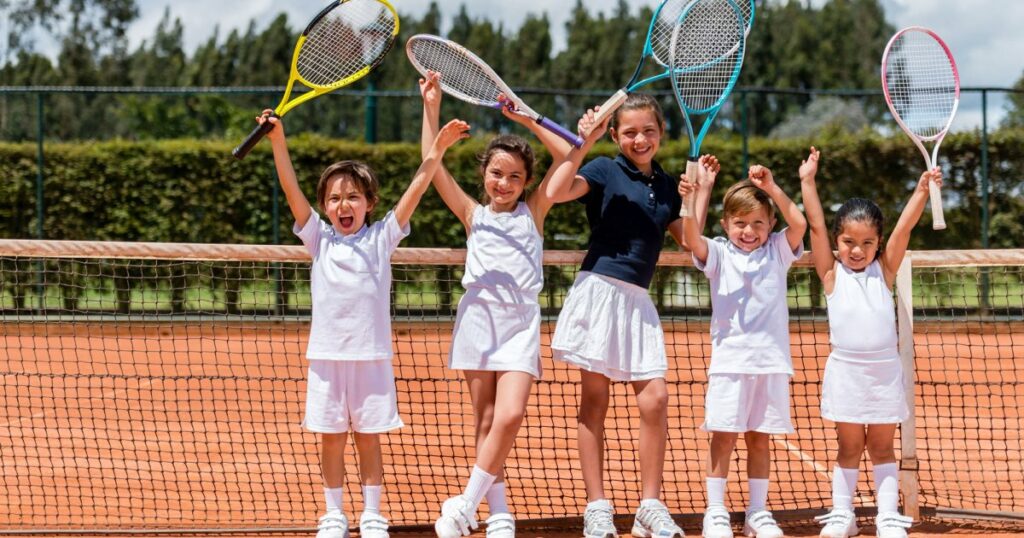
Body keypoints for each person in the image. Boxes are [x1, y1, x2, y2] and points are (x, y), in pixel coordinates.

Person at [259, 109, 470, 538]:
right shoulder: (318, 238)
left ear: (370, 204)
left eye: (353, 196)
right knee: (331, 439)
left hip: (371, 358)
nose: (343, 205)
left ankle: (373, 515)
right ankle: (333, 515)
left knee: (369, 438)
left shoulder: (381, 238)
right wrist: (278, 140)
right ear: (324, 208)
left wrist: (437, 149)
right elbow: (290, 187)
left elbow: (416, 188)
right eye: (334, 199)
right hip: (326, 359)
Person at [419, 71, 598, 538]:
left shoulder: (535, 209)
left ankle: (464, 505)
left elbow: (571, 153)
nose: (504, 182)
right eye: (497, 173)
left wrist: (527, 117)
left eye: (515, 176)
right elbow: (431, 165)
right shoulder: (470, 213)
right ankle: (497, 512)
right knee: (484, 420)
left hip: (520, 325)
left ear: (527, 182)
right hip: (477, 321)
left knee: (511, 415)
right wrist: (431, 108)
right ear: (484, 174)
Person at [546, 94, 719, 538]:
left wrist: (700, 192)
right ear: (617, 135)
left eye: (647, 131)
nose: (639, 139)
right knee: (594, 402)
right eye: (629, 132)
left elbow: (688, 239)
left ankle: (649, 506)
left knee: (656, 400)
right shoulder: (603, 168)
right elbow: (556, 191)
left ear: (660, 133)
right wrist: (583, 142)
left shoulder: (664, 183)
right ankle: (597, 506)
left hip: (638, 300)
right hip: (599, 290)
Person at [801, 147, 941, 538]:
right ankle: (842, 515)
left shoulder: (885, 270)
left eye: (866, 242)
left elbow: (904, 229)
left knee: (881, 447)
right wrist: (807, 181)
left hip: (883, 372)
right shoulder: (830, 274)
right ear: (837, 241)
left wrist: (922, 191)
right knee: (848, 447)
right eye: (848, 241)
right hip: (845, 372)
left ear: (877, 243)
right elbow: (813, 224)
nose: (857, 250)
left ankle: (886, 516)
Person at [678, 161, 808, 538]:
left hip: (771, 364)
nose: (748, 231)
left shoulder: (778, 252)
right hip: (730, 364)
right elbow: (691, 237)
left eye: (758, 223)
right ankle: (715, 512)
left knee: (760, 439)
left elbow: (798, 224)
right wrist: (694, 197)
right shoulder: (719, 253)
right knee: (723, 436)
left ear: (769, 226)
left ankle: (757, 512)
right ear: (725, 225)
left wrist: (771, 187)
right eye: (740, 223)